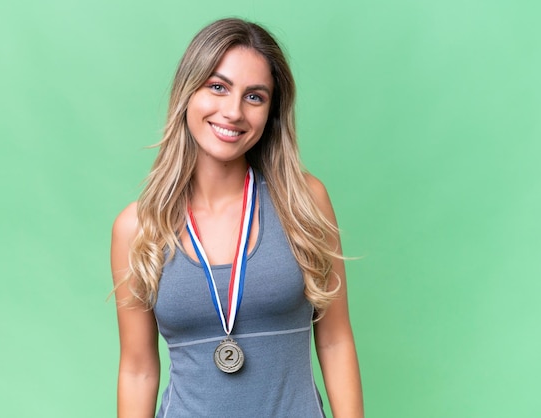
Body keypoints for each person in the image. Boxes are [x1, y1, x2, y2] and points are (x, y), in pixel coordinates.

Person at [110, 18, 363, 418]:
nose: (233, 112)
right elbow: (138, 369)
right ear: (187, 93)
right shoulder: (138, 228)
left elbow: (334, 341)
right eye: (218, 87)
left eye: (255, 97)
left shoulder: (304, 200)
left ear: (271, 112)